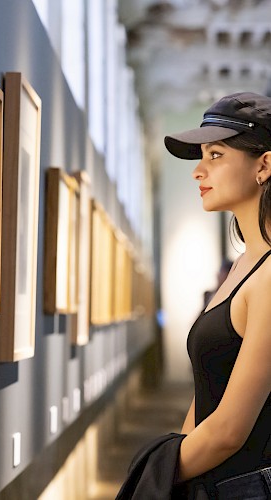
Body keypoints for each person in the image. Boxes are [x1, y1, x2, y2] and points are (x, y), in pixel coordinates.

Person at [164, 92, 271, 498]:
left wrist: (157, 473)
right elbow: (209, 388)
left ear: (264, 165)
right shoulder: (245, 265)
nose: (198, 171)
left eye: (215, 155)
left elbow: (228, 430)